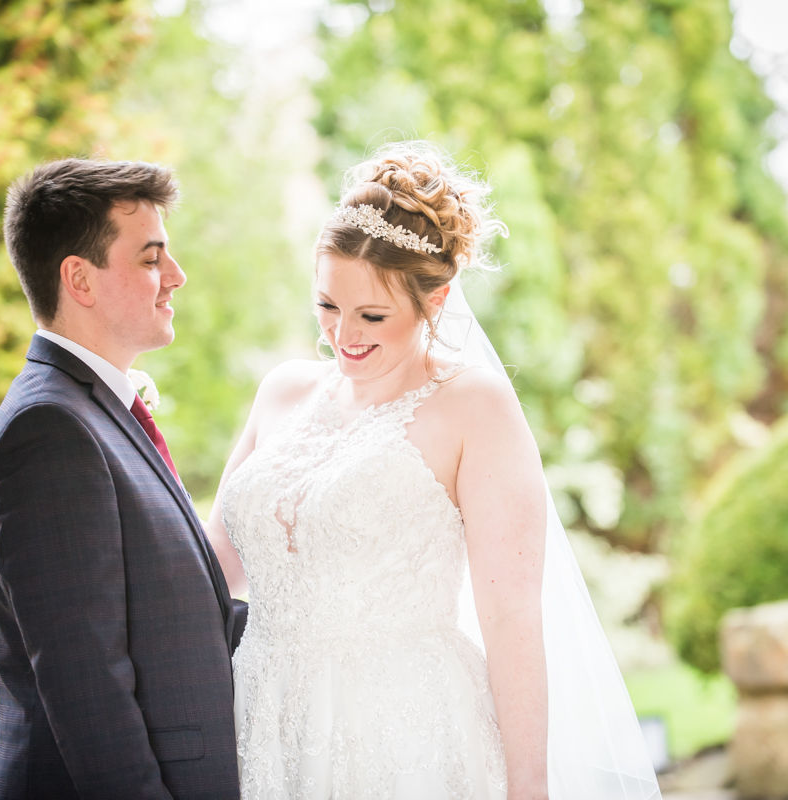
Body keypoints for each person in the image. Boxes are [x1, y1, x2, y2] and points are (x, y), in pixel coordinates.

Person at [205, 142, 661, 799]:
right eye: (327, 306)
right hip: (263, 717)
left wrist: (528, 789)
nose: (343, 335)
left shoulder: (473, 406)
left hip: (404, 733)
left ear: (436, 301)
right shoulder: (281, 392)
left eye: (372, 315)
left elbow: (510, 616)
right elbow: (213, 569)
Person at [0, 158, 244, 799]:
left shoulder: (92, 412)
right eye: (151, 258)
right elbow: (88, 692)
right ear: (79, 279)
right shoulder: (50, 432)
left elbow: (172, 619)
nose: (176, 276)